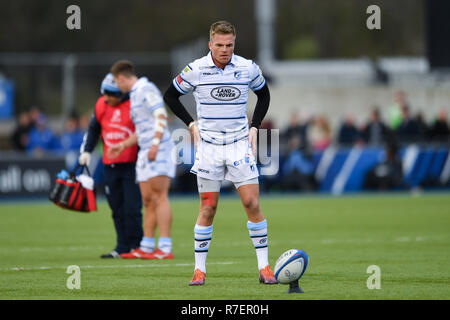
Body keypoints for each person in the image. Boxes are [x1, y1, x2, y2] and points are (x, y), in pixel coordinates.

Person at [163, 20, 277, 285]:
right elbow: (170, 96)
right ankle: (199, 270)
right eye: (220, 45)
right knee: (208, 207)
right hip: (209, 147)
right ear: (210, 44)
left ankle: (264, 268)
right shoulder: (196, 69)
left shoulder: (248, 67)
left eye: (229, 45)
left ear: (234, 44)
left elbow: (264, 95)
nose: (225, 49)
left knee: (252, 204)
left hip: (239, 144)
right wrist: (191, 124)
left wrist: (255, 127)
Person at [108, 60, 176, 260]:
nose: (116, 86)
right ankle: (146, 246)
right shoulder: (135, 94)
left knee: (159, 196)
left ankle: (164, 248)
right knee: (147, 200)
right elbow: (142, 129)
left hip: (160, 148)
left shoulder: (146, 89)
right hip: (146, 150)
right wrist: (123, 145)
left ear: (121, 78)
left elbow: (162, 115)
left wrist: (155, 144)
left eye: (116, 81)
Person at [79, 73, 143, 259]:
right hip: (110, 164)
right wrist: (87, 151)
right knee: (116, 208)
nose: (107, 97)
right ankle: (122, 246)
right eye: (105, 93)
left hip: (132, 163)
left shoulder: (134, 104)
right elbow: (94, 129)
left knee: (132, 207)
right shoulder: (101, 105)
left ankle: (136, 245)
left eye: (111, 93)